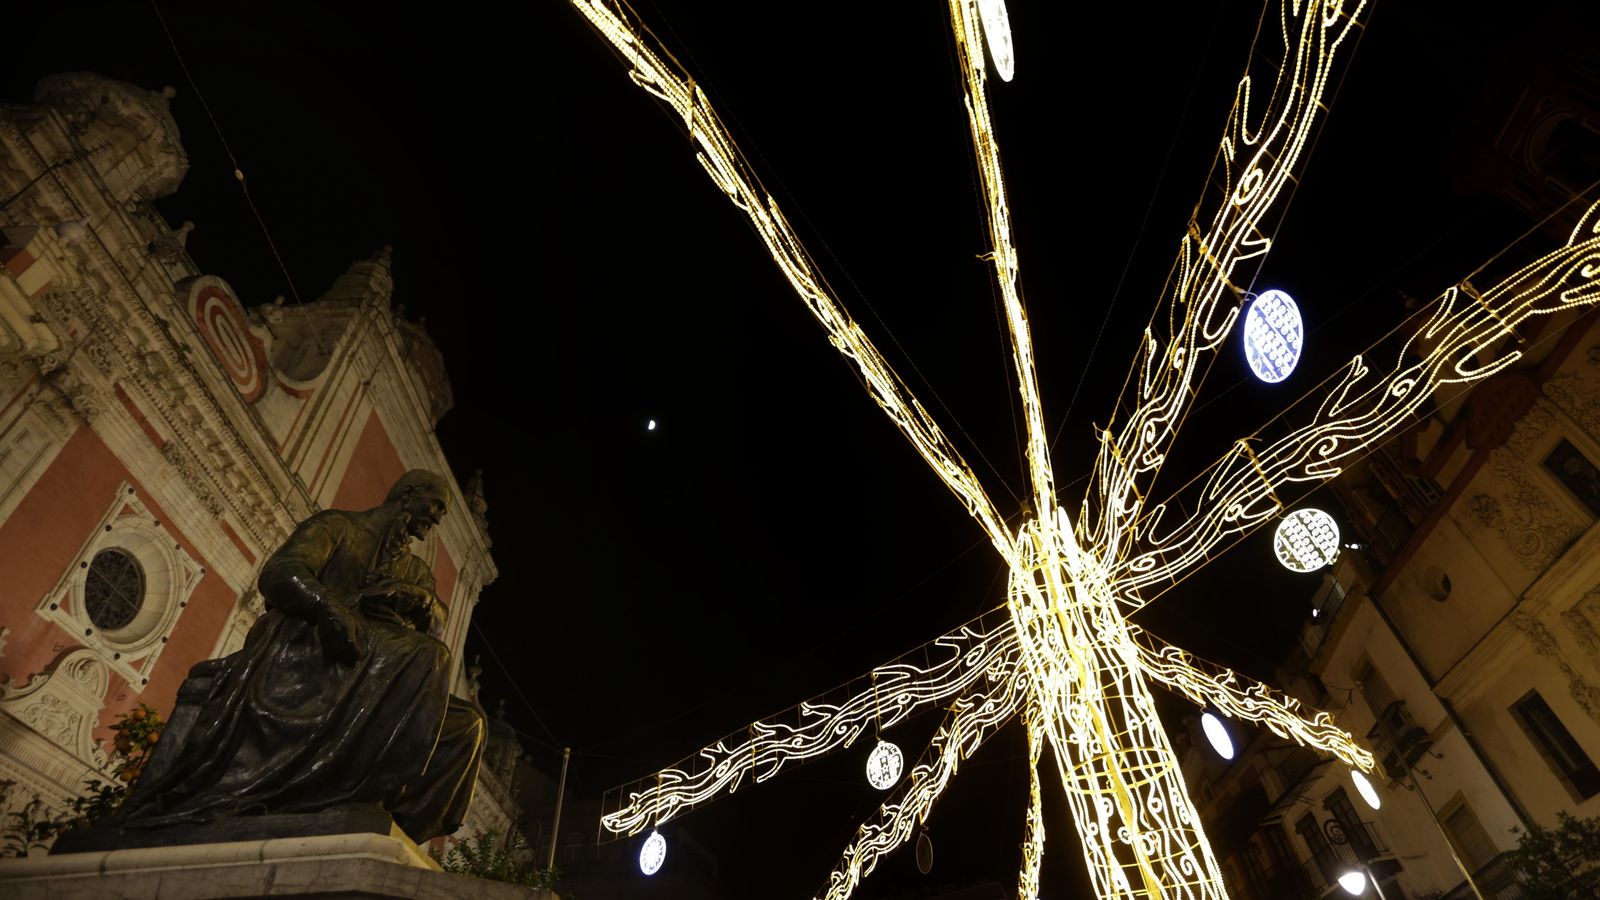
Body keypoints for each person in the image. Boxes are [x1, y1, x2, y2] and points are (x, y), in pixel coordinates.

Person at [110, 470, 485, 842]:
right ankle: (351, 794)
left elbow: (437, 623)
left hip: (378, 669)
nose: (436, 518)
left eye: (442, 514)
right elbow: (281, 572)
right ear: (407, 494)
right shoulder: (338, 527)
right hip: (312, 648)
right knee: (429, 655)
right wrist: (328, 606)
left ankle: (388, 824)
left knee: (468, 726)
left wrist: (416, 597)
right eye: (434, 506)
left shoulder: (415, 570)